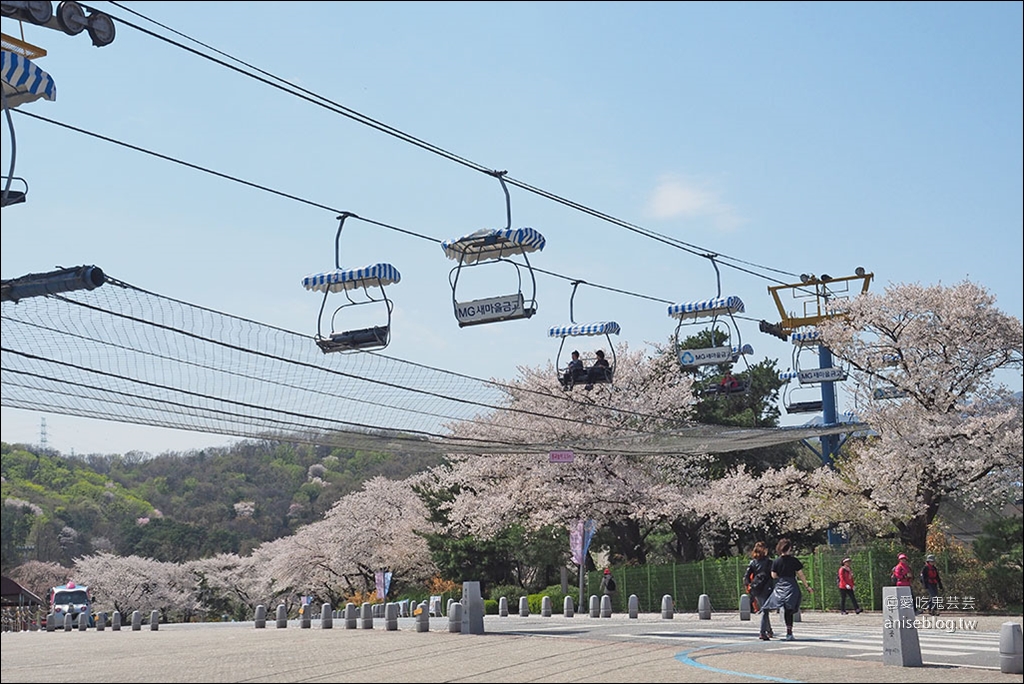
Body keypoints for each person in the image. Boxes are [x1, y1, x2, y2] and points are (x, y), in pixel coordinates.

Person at [761, 538, 813, 641]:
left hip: (780, 586)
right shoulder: (794, 561)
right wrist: (807, 586)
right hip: (791, 585)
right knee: (789, 610)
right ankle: (789, 632)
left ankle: (764, 630)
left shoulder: (776, 561)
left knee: (773, 606)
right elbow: (801, 574)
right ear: (790, 548)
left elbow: (773, 575)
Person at [744, 541, 775, 640]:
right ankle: (762, 632)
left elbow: (746, 577)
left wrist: (748, 585)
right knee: (765, 611)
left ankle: (769, 630)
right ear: (764, 550)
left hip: (756, 588)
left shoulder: (753, 562)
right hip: (767, 588)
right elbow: (774, 576)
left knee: (764, 609)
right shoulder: (769, 562)